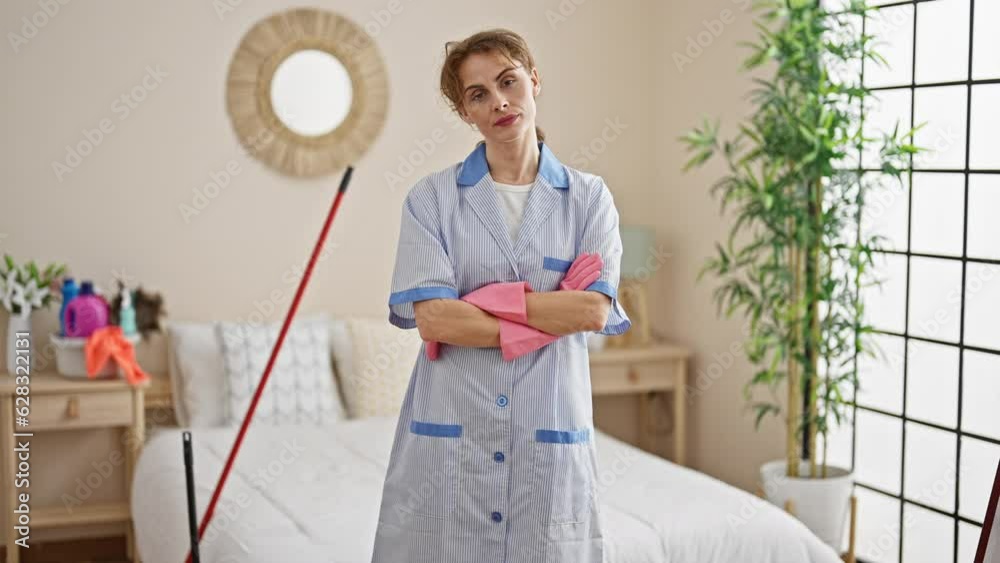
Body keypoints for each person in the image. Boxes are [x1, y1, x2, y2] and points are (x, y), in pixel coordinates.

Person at [372, 28, 631, 563]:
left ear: (534, 81)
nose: (500, 102)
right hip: (452, 436)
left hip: (549, 435)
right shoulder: (431, 200)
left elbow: (591, 309)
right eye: (478, 94)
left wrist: (484, 303)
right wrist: (546, 310)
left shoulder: (588, 199)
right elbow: (437, 321)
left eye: (508, 82)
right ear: (465, 112)